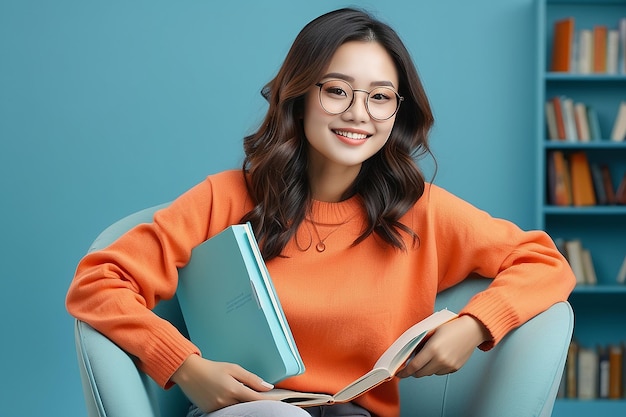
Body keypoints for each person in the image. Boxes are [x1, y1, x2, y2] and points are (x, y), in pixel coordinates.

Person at [66, 7, 576, 417]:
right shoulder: (224, 198)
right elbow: (97, 284)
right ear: (300, 95)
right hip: (246, 412)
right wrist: (184, 366)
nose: (359, 113)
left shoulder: (421, 210)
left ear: (398, 112)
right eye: (337, 90)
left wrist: (474, 326)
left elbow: (545, 262)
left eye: (381, 97)